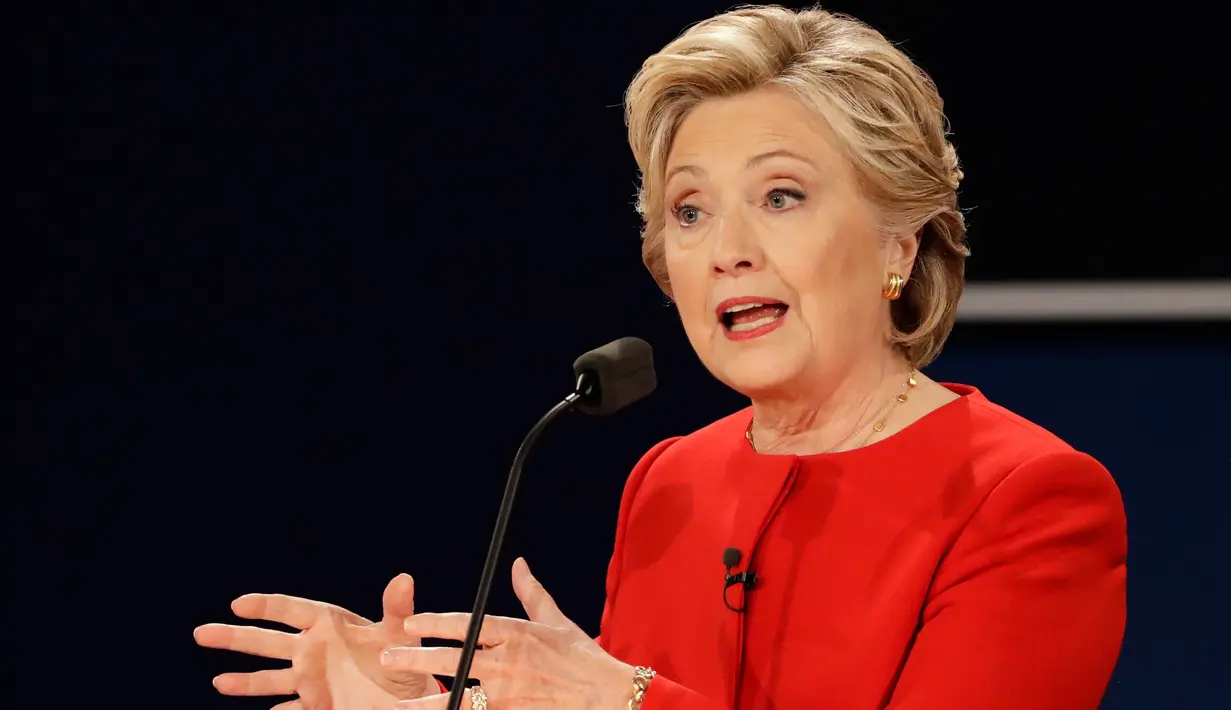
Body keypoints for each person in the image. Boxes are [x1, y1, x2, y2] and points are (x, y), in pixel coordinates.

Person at [194, 5, 1127, 709]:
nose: (727, 248)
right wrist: (444, 705)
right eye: (689, 210)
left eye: (781, 196)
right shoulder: (670, 483)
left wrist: (621, 699)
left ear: (899, 244)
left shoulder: (1027, 499)